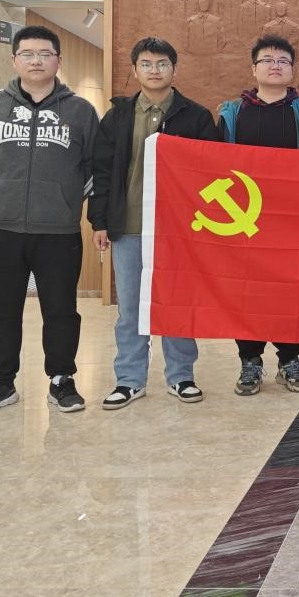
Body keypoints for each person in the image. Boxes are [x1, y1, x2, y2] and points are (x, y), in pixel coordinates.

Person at [0, 25, 99, 417]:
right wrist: (7, 191)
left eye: (44, 54)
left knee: (61, 310)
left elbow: (93, 165)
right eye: (27, 54)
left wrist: (63, 199)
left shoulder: (80, 111)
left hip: (58, 231)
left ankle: (61, 380)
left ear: (58, 60)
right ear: (14, 60)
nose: (36, 61)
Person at [89, 37, 217, 410]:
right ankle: (130, 380)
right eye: (146, 64)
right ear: (135, 70)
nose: (154, 71)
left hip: (178, 231)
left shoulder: (196, 117)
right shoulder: (118, 117)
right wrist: (99, 221)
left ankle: (181, 376)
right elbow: (101, 171)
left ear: (174, 69)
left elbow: (212, 173)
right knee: (130, 307)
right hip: (129, 226)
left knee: (176, 303)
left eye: (162, 64)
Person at [216, 34, 299, 396]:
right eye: (267, 60)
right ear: (253, 69)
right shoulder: (232, 113)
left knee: (290, 291)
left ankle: (289, 359)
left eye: (283, 60)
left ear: (292, 70)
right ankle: (249, 361)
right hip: (244, 218)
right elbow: (213, 166)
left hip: (293, 218)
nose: (275, 65)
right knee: (246, 292)